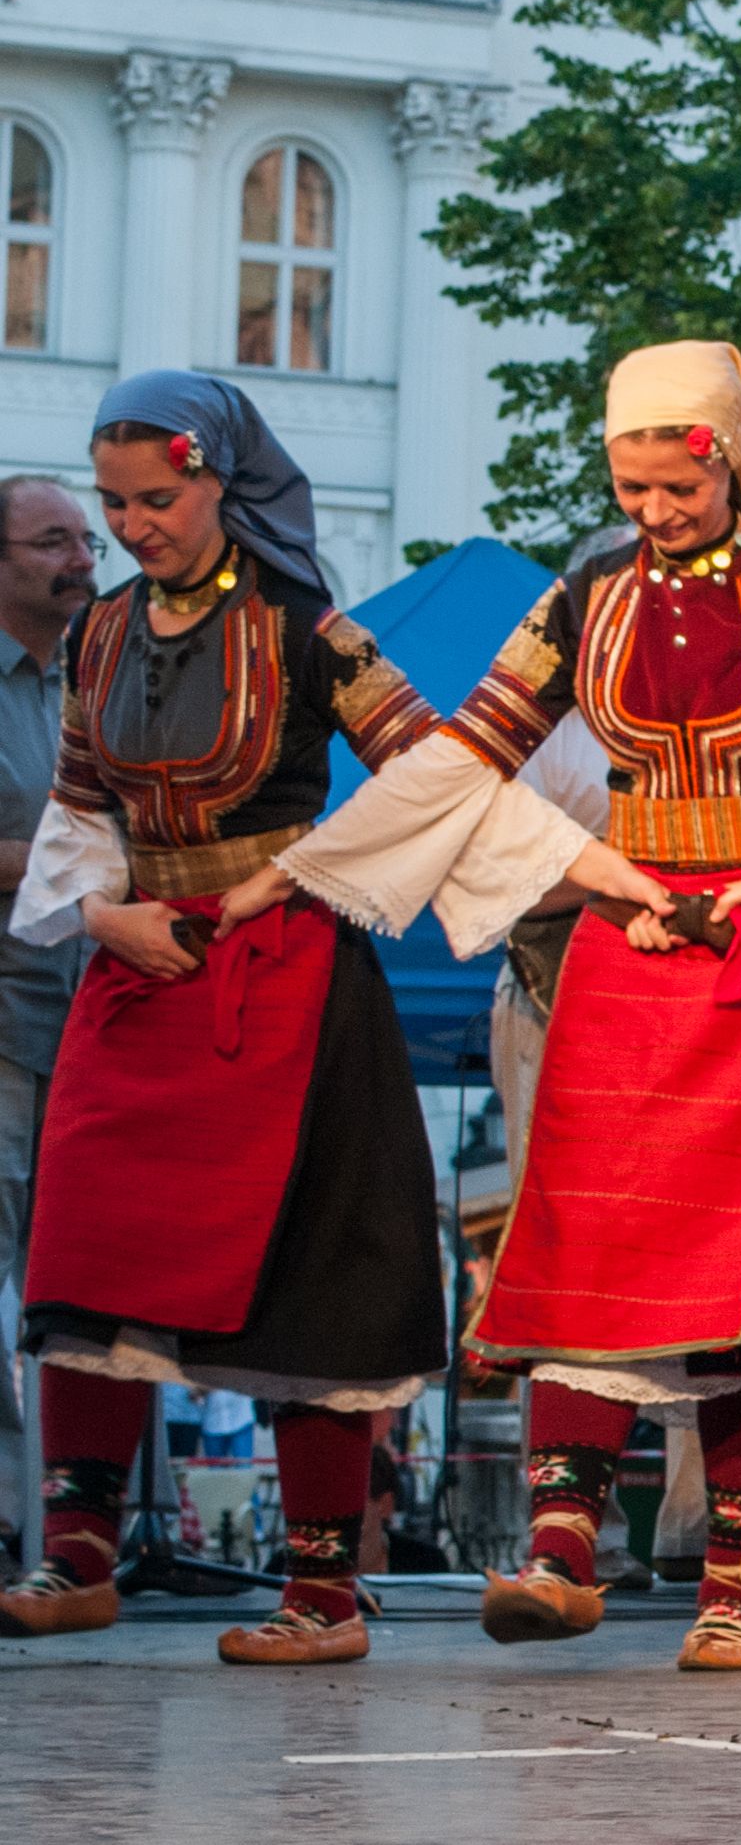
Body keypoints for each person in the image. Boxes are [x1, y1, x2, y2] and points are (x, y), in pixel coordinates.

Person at [275, 341, 741, 1673]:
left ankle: (734, 1576)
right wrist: (590, 873)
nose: (651, 512)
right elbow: (466, 757)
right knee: (583, 1239)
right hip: (623, 939)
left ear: (725, 459)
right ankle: (562, 1547)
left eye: (674, 487)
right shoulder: (582, 593)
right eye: (630, 486)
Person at [0, 372, 451, 1664]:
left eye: (158, 497)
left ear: (224, 482)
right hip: (138, 968)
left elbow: (428, 771)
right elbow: (83, 803)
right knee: (83, 1248)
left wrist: (288, 873)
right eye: (114, 502)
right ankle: (78, 1549)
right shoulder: (100, 634)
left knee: (305, 1264)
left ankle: (322, 1586)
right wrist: (101, 918)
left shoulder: (311, 627)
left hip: (288, 971)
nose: (135, 524)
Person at [0, 472, 91, 1577]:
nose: (80, 558)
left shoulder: (101, 674)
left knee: (80, 1284)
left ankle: (85, 1529)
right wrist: (71, 869)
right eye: (50, 541)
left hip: (97, 1024)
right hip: (8, 1016)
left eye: (84, 538)